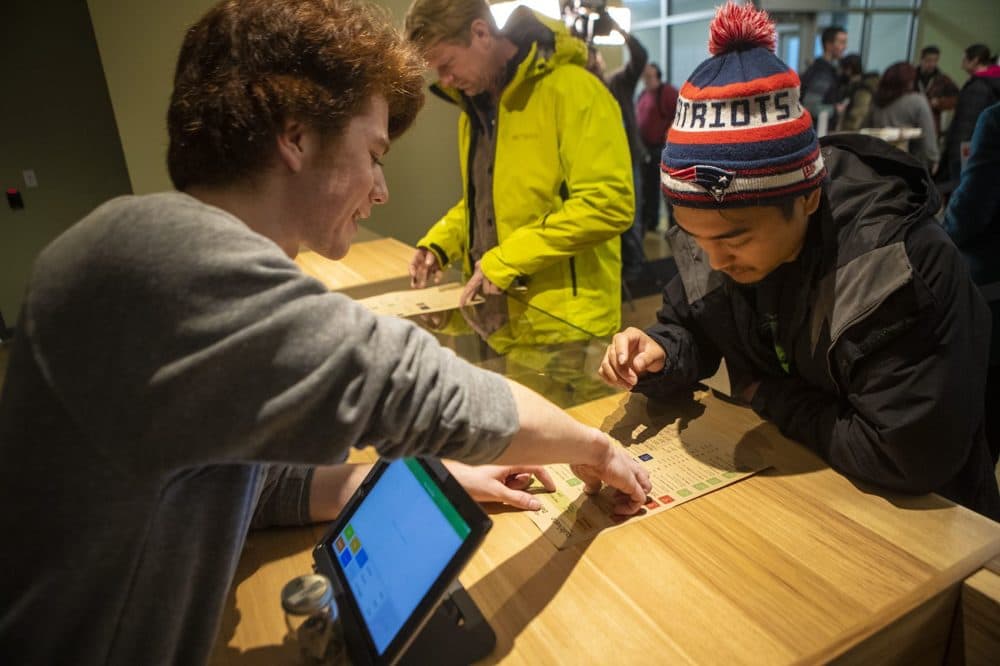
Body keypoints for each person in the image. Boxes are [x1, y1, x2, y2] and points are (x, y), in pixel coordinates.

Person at [0, 1, 652, 663]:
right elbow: (418, 387)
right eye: (373, 154)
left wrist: (444, 478)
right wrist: (596, 451)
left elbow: (250, 486)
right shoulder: (163, 264)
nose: (381, 189)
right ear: (296, 135)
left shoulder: (137, 242)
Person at [598, 1, 999, 521]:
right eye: (697, 239)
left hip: (927, 525)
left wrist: (769, 397)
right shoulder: (714, 236)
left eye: (735, 239)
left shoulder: (897, 266)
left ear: (807, 198)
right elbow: (694, 323)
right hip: (801, 496)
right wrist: (660, 349)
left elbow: (905, 453)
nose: (716, 260)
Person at [405, 0, 633, 343]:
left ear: (480, 33)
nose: (445, 80)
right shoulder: (475, 109)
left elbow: (609, 203)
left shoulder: (574, 90)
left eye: (447, 64)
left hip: (568, 330)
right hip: (497, 319)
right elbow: (487, 202)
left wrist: (508, 259)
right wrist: (440, 244)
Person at [943, 101, 1000, 461]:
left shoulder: (995, 119)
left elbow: (971, 211)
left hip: (989, 290)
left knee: (977, 427)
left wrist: (937, 234)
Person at [583, 16, 648, 286]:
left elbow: (640, 56)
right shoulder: (581, 93)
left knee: (631, 221)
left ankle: (633, 276)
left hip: (628, 161)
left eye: (593, 59)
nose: (592, 63)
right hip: (596, 168)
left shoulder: (617, 83)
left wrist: (619, 30)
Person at [942, 43, 1000, 184]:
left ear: (975, 60)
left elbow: (966, 125)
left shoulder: (978, 87)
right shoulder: (990, 82)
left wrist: (956, 159)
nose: (961, 63)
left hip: (967, 152)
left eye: (964, 59)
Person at [867, 62, 939, 171]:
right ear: (909, 81)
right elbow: (928, 132)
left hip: (875, 159)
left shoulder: (876, 100)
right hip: (904, 162)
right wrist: (933, 158)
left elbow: (866, 127)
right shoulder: (917, 101)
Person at [637, 62, 679, 233]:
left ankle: (673, 225)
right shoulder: (643, 94)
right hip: (645, 149)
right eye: (644, 76)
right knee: (649, 188)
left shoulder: (666, 92)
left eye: (649, 76)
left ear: (657, 76)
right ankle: (651, 221)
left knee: (667, 188)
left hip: (662, 147)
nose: (645, 79)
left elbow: (679, 114)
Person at [800, 25, 847, 130]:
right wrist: (836, 109)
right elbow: (811, 106)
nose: (844, 47)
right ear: (829, 45)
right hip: (817, 133)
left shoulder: (823, 69)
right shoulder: (822, 73)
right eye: (841, 42)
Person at [914, 45, 959, 136]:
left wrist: (939, 102)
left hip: (932, 124)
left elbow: (957, 98)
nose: (932, 64)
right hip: (911, 121)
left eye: (935, 61)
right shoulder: (910, 76)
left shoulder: (943, 79)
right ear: (921, 59)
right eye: (929, 60)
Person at [834, 53, 878, 132]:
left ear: (849, 69)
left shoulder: (862, 89)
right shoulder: (851, 86)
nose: (840, 72)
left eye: (842, 68)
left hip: (852, 132)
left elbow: (858, 115)